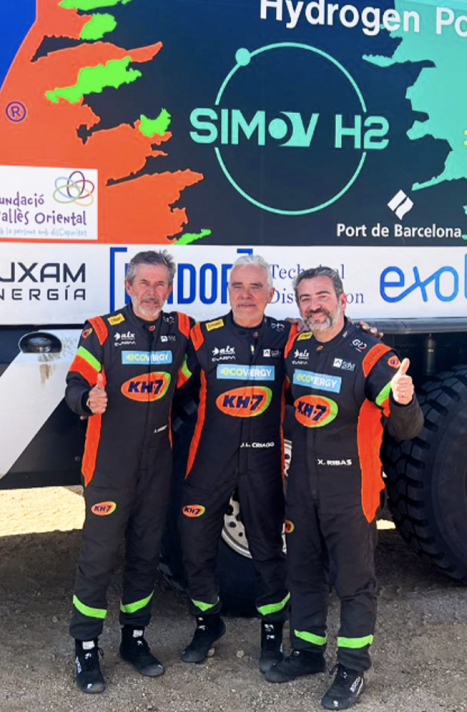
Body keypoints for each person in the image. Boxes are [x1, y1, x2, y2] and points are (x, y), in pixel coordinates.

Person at [266, 266, 423, 710]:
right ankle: (308, 652)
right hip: (301, 486)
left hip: (350, 489)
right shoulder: (296, 346)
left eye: (322, 296)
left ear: (342, 299)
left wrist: (405, 399)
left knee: (354, 582)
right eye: (305, 298)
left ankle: (352, 669)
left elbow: (407, 428)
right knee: (303, 572)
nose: (314, 305)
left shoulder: (372, 354)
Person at [63, 250, 193, 693]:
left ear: (169, 289)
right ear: (128, 286)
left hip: (156, 464)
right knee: (98, 558)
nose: (152, 292)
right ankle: (85, 647)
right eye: (144, 283)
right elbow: (74, 385)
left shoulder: (183, 329)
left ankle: (134, 639)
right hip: (109, 465)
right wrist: (87, 401)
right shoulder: (102, 330)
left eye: (160, 284)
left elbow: (228, 339)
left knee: (145, 555)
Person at [178, 254, 295, 670]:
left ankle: (272, 632)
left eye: (255, 287)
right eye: (238, 287)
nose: (246, 295)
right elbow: (168, 385)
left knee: (268, 549)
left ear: (270, 293)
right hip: (210, 459)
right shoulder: (202, 336)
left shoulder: (288, 337)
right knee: (194, 543)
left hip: (263, 461)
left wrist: (363, 330)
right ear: (227, 292)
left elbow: (331, 342)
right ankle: (207, 622)